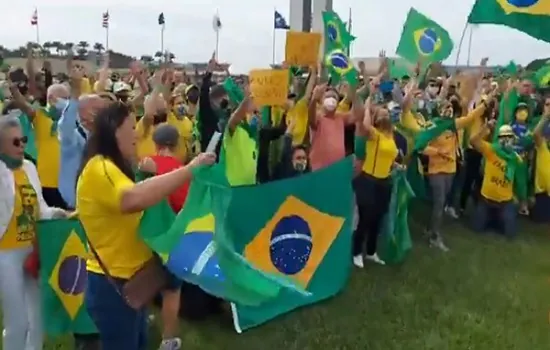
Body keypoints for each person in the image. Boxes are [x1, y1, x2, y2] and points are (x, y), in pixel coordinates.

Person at [76, 102, 215, 349]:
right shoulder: (101, 168)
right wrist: (190, 170)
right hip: (114, 287)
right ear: (114, 130)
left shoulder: (113, 167)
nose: (137, 135)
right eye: (131, 127)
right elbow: (132, 199)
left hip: (131, 282)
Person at [0, 115, 66, 350]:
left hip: (32, 251)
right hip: (5, 255)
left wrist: (59, 214)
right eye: (15, 142)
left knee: (37, 317)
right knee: (17, 321)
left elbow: (40, 208)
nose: (22, 146)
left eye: (24, 140)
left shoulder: (29, 167)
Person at [352, 82, 399, 268]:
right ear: (376, 119)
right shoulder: (374, 134)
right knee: (365, 218)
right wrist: (370, 97)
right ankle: (356, 252)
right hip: (368, 181)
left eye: (387, 114)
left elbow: (387, 156)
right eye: (382, 115)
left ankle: (371, 252)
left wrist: (395, 164)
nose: (386, 116)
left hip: (384, 182)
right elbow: (364, 125)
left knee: (378, 218)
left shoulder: (390, 136)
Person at [470, 123, 523, 237]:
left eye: (509, 137)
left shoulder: (516, 159)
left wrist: (519, 198)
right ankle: (492, 220)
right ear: (499, 139)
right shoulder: (491, 150)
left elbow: (519, 181)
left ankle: (496, 220)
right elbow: (473, 141)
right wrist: (485, 127)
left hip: (505, 202)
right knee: (477, 229)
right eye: (504, 137)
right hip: (486, 200)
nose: (506, 140)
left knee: (510, 234)